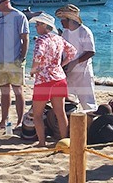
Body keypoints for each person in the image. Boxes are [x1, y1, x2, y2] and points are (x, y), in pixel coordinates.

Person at [28, 13, 77, 147]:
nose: (36, 27)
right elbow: (73, 52)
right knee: (60, 113)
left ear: (45, 25)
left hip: (44, 79)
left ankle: (42, 143)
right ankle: (64, 141)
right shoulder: (58, 39)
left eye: (38, 24)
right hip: (59, 77)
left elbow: (38, 55)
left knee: (37, 114)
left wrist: (33, 69)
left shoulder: (41, 40)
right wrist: (62, 64)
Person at [0, 0, 29, 131]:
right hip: (0, 60)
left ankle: (20, 121)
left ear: (6, 2)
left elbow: (25, 38)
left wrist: (22, 57)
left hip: (14, 59)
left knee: (18, 91)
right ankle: (3, 121)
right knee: (4, 92)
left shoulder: (19, 16)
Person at [55, 4, 97, 111]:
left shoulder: (84, 31)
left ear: (70, 20)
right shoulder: (65, 32)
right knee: (69, 102)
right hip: (68, 71)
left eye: (63, 19)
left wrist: (75, 62)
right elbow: (63, 51)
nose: (61, 21)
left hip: (83, 72)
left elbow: (90, 52)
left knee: (88, 103)